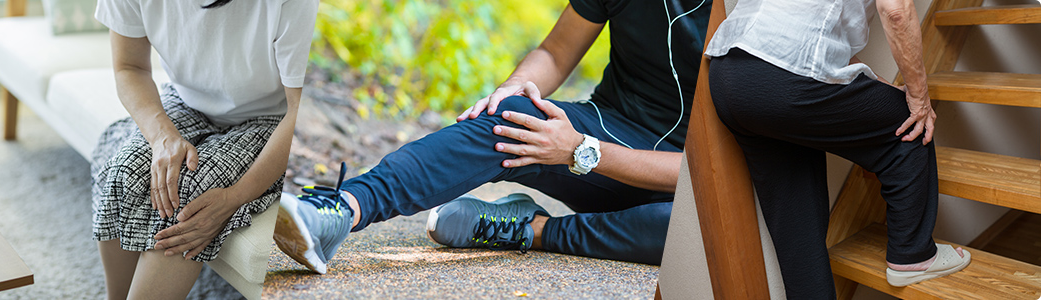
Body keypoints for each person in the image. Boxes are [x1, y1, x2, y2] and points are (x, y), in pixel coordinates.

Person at [273, 0, 711, 273]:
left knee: (692, 231)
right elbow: (555, 53)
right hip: (612, 125)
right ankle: (340, 210)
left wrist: (580, 150)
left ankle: (531, 230)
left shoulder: (757, 15)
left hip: (695, 183)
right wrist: (513, 88)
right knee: (513, 116)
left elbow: (718, 175)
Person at [704, 0, 970, 297]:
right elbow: (896, 10)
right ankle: (913, 254)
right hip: (786, 76)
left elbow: (820, 42)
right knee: (909, 126)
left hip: (729, 76)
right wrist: (919, 98)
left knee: (795, 215)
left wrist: (883, 89)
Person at [90, 0, 317, 298]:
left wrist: (236, 196)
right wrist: (162, 137)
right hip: (187, 100)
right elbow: (128, 67)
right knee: (126, 172)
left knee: (191, 198)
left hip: (274, 117)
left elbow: (299, 111)